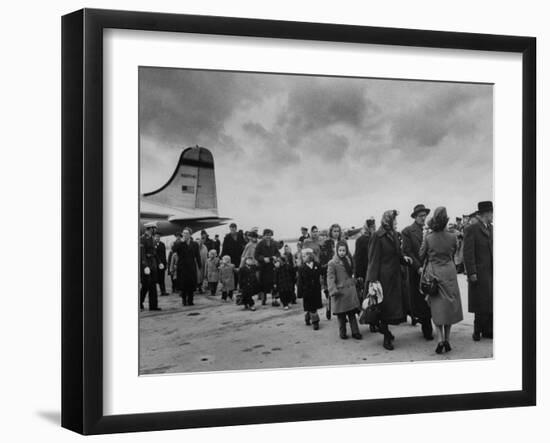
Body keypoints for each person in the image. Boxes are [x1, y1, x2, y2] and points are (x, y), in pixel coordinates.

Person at [419, 207, 464, 353]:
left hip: (435, 274)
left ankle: (439, 340)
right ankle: (447, 340)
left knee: (437, 308)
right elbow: (455, 251)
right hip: (449, 273)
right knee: (449, 306)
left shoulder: (429, 237)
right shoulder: (452, 237)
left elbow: (421, 254)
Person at [366, 210, 413, 350]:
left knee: (391, 309)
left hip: (395, 277)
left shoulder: (393, 234)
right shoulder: (377, 236)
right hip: (383, 279)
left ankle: (385, 331)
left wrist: (405, 259)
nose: (397, 223)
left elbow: (398, 255)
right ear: (389, 221)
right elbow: (373, 260)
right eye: (395, 221)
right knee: (383, 308)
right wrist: (372, 280)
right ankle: (386, 337)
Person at [401, 204, 434, 340]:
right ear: (415, 217)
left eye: (424, 215)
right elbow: (407, 251)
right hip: (417, 271)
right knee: (420, 300)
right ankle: (426, 327)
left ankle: (426, 322)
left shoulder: (430, 230)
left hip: (430, 269)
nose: (423, 218)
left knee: (432, 297)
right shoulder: (408, 231)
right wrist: (418, 267)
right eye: (420, 216)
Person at [463, 201, 493, 341]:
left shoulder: (491, 228)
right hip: (479, 272)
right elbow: (468, 253)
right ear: (485, 213)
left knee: (490, 301)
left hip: (490, 271)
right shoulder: (472, 229)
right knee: (480, 302)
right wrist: (471, 272)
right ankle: (477, 331)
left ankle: (488, 330)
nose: (493, 215)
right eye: (491, 212)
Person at [327, 241, 362, 340]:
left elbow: (352, 272)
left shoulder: (349, 260)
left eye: (344, 250)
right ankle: (342, 332)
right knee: (341, 316)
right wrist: (332, 290)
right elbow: (330, 277)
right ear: (336, 251)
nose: (342, 252)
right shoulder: (332, 263)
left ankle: (355, 332)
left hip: (349, 291)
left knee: (352, 314)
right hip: (340, 292)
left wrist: (355, 280)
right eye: (340, 250)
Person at [172, 227, 201, 306]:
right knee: (183, 284)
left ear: (190, 234)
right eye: (183, 233)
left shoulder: (194, 244)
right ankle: (184, 300)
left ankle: (190, 300)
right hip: (182, 266)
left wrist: (200, 266)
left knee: (191, 283)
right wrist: (180, 242)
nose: (184, 235)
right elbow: (174, 249)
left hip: (191, 266)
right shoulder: (179, 243)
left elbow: (197, 255)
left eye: (186, 233)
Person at [254, 228, 281, 306]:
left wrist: (276, 257)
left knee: (274, 283)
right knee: (263, 284)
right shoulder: (260, 244)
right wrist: (263, 258)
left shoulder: (273, 243)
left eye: (269, 235)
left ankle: (274, 300)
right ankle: (264, 299)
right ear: (264, 235)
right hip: (263, 267)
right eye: (266, 235)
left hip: (272, 266)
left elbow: (278, 253)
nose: (268, 237)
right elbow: (256, 255)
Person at [299, 248, 323, 330]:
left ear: (310, 256)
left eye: (305, 256)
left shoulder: (317, 265)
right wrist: (300, 292)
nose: (303, 257)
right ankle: (315, 321)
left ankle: (308, 316)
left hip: (316, 289)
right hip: (307, 290)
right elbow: (300, 281)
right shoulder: (302, 268)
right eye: (302, 256)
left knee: (313, 306)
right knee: (311, 307)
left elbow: (322, 272)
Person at [140, 225, 161, 311]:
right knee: (145, 285)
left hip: (153, 264)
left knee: (153, 286)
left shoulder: (152, 238)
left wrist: (159, 262)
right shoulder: (142, 238)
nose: (155, 230)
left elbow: (154, 252)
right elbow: (142, 253)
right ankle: (139, 302)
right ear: (150, 229)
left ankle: (153, 306)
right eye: (154, 228)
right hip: (146, 265)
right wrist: (145, 266)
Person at [221, 223, 247, 287]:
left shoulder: (240, 235)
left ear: (236, 228)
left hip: (239, 256)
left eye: (233, 228)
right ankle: (234, 286)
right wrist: (223, 257)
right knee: (232, 271)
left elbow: (244, 244)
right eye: (231, 228)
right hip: (231, 257)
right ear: (230, 228)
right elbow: (224, 247)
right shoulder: (227, 237)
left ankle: (239, 285)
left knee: (239, 270)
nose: (232, 229)